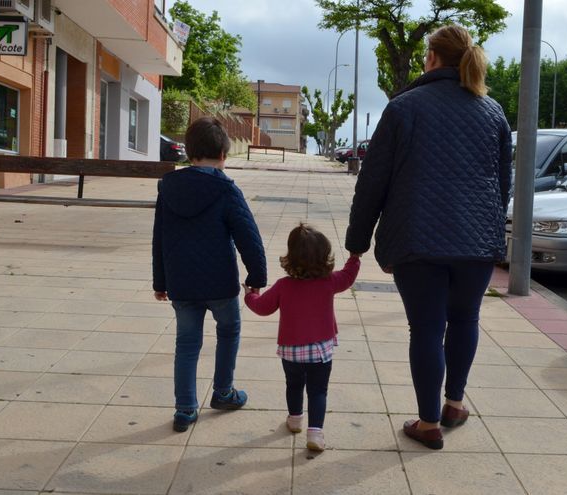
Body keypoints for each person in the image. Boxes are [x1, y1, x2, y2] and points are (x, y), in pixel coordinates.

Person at [345, 25, 513, 450]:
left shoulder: (404, 108)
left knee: (425, 328)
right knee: (465, 319)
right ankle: (454, 404)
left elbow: (373, 181)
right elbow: (502, 184)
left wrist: (358, 241)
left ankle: (427, 423)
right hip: (476, 242)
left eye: (425, 54)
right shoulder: (492, 112)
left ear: (434, 58)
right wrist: (488, 229)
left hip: (416, 239)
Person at [152, 117, 267, 432]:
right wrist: (257, 275)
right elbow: (248, 235)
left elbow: (159, 237)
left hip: (181, 282)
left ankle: (185, 409)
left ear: (190, 154)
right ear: (223, 155)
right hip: (219, 282)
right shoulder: (226, 189)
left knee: (187, 343)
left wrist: (160, 281)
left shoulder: (168, 188)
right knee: (228, 331)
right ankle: (223, 391)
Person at [244, 223, 360, 452]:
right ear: (325, 256)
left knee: (294, 385)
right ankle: (315, 433)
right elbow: (349, 276)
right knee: (318, 390)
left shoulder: (283, 286)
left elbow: (262, 308)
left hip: (291, 350)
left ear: (291, 256)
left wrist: (250, 295)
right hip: (321, 350)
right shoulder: (330, 282)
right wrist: (354, 257)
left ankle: (295, 420)